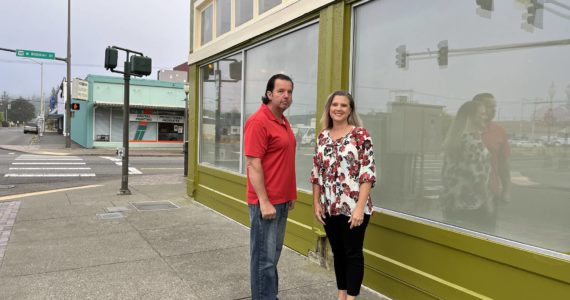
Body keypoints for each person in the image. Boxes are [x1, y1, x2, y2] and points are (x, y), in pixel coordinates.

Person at [310, 90, 376, 300]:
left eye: (343, 105)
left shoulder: (360, 135)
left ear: (350, 110)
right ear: (329, 108)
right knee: (338, 253)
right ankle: (341, 295)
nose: (338, 108)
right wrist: (316, 204)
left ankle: (352, 298)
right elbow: (317, 173)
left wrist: (359, 207)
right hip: (329, 207)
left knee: (353, 254)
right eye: (335, 104)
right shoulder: (322, 136)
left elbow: (368, 173)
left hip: (354, 207)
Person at [244, 73, 297, 300]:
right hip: (265, 203)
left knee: (272, 256)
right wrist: (264, 201)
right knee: (263, 260)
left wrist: (290, 195)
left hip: (282, 200)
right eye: (280, 91)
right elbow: (253, 164)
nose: (286, 96)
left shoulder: (283, 121)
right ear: (269, 94)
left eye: (289, 92)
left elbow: (284, 160)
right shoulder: (258, 121)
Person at [440, 100, 495, 232]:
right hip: (471, 207)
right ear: (470, 117)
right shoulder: (473, 143)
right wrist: (489, 206)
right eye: (482, 114)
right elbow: (479, 179)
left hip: (452, 204)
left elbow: (445, 175)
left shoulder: (455, 140)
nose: (486, 117)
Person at [473, 93, 511, 204]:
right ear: (477, 107)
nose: (494, 110)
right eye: (490, 107)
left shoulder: (499, 131)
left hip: (490, 192)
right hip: (465, 191)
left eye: (495, 107)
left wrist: (506, 190)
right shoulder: (464, 129)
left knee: (488, 221)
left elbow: (503, 164)